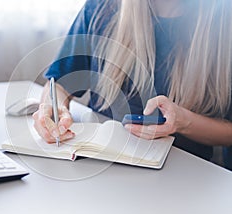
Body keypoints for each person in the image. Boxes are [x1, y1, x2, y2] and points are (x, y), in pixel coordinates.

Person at [33, 0, 232, 164]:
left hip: (184, 175)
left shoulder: (224, 20)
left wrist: (182, 121)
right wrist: (51, 109)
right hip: (98, 163)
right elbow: (59, 85)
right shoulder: (102, 7)